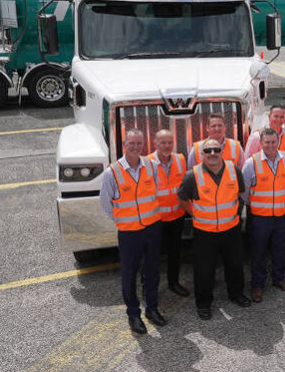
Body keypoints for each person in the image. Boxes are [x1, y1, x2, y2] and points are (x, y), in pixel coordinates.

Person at [100, 129, 165, 334]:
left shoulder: (152, 166)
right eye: (132, 143)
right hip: (129, 233)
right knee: (129, 275)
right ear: (124, 144)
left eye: (139, 143)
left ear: (143, 145)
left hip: (152, 228)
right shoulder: (113, 172)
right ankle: (133, 314)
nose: (135, 146)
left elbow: (156, 193)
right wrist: (122, 219)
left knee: (152, 271)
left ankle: (151, 308)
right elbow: (105, 203)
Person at [178, 139, 250, 320]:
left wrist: (234, 213)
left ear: (222, 151)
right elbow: (182, 198)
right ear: (202, 154)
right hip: (205, 232)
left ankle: (236, 294)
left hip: (231, 229)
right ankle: (203, 303)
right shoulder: (192, 176)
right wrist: (196, 214)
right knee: (204, 270)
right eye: (207, 150)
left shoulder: (234, 171)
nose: (212, 153)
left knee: (235, 265)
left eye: (216, 150)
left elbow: (240, 194)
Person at [242, 128, 285, 303]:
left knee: (279, 249)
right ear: (261, 143)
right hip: (260, 217)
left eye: (274, 142)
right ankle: (257, 285)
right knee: (258, 252)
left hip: (282, 216)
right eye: (267, 142)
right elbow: (244, 192)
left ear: (278, 142)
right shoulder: (252, 163)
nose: (271, 145)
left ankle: (279, 278)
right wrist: (260, 206)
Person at [148, 129, 190, 297]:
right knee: (152, 257)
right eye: (162, 143)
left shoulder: (180, 160)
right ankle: (149, 289)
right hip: (155, 220)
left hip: (176, 217)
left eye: (169, 143)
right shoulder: (147, 163)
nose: (166, 146)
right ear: (155, 143)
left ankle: (174, 283)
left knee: (175, 254)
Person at [244, 104, 285, 170]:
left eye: (281, 117)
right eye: (276, 116)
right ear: (269, 116)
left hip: (283, 178)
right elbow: (246, 163)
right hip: (262, 178)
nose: (278, 120)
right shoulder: (256, 137)